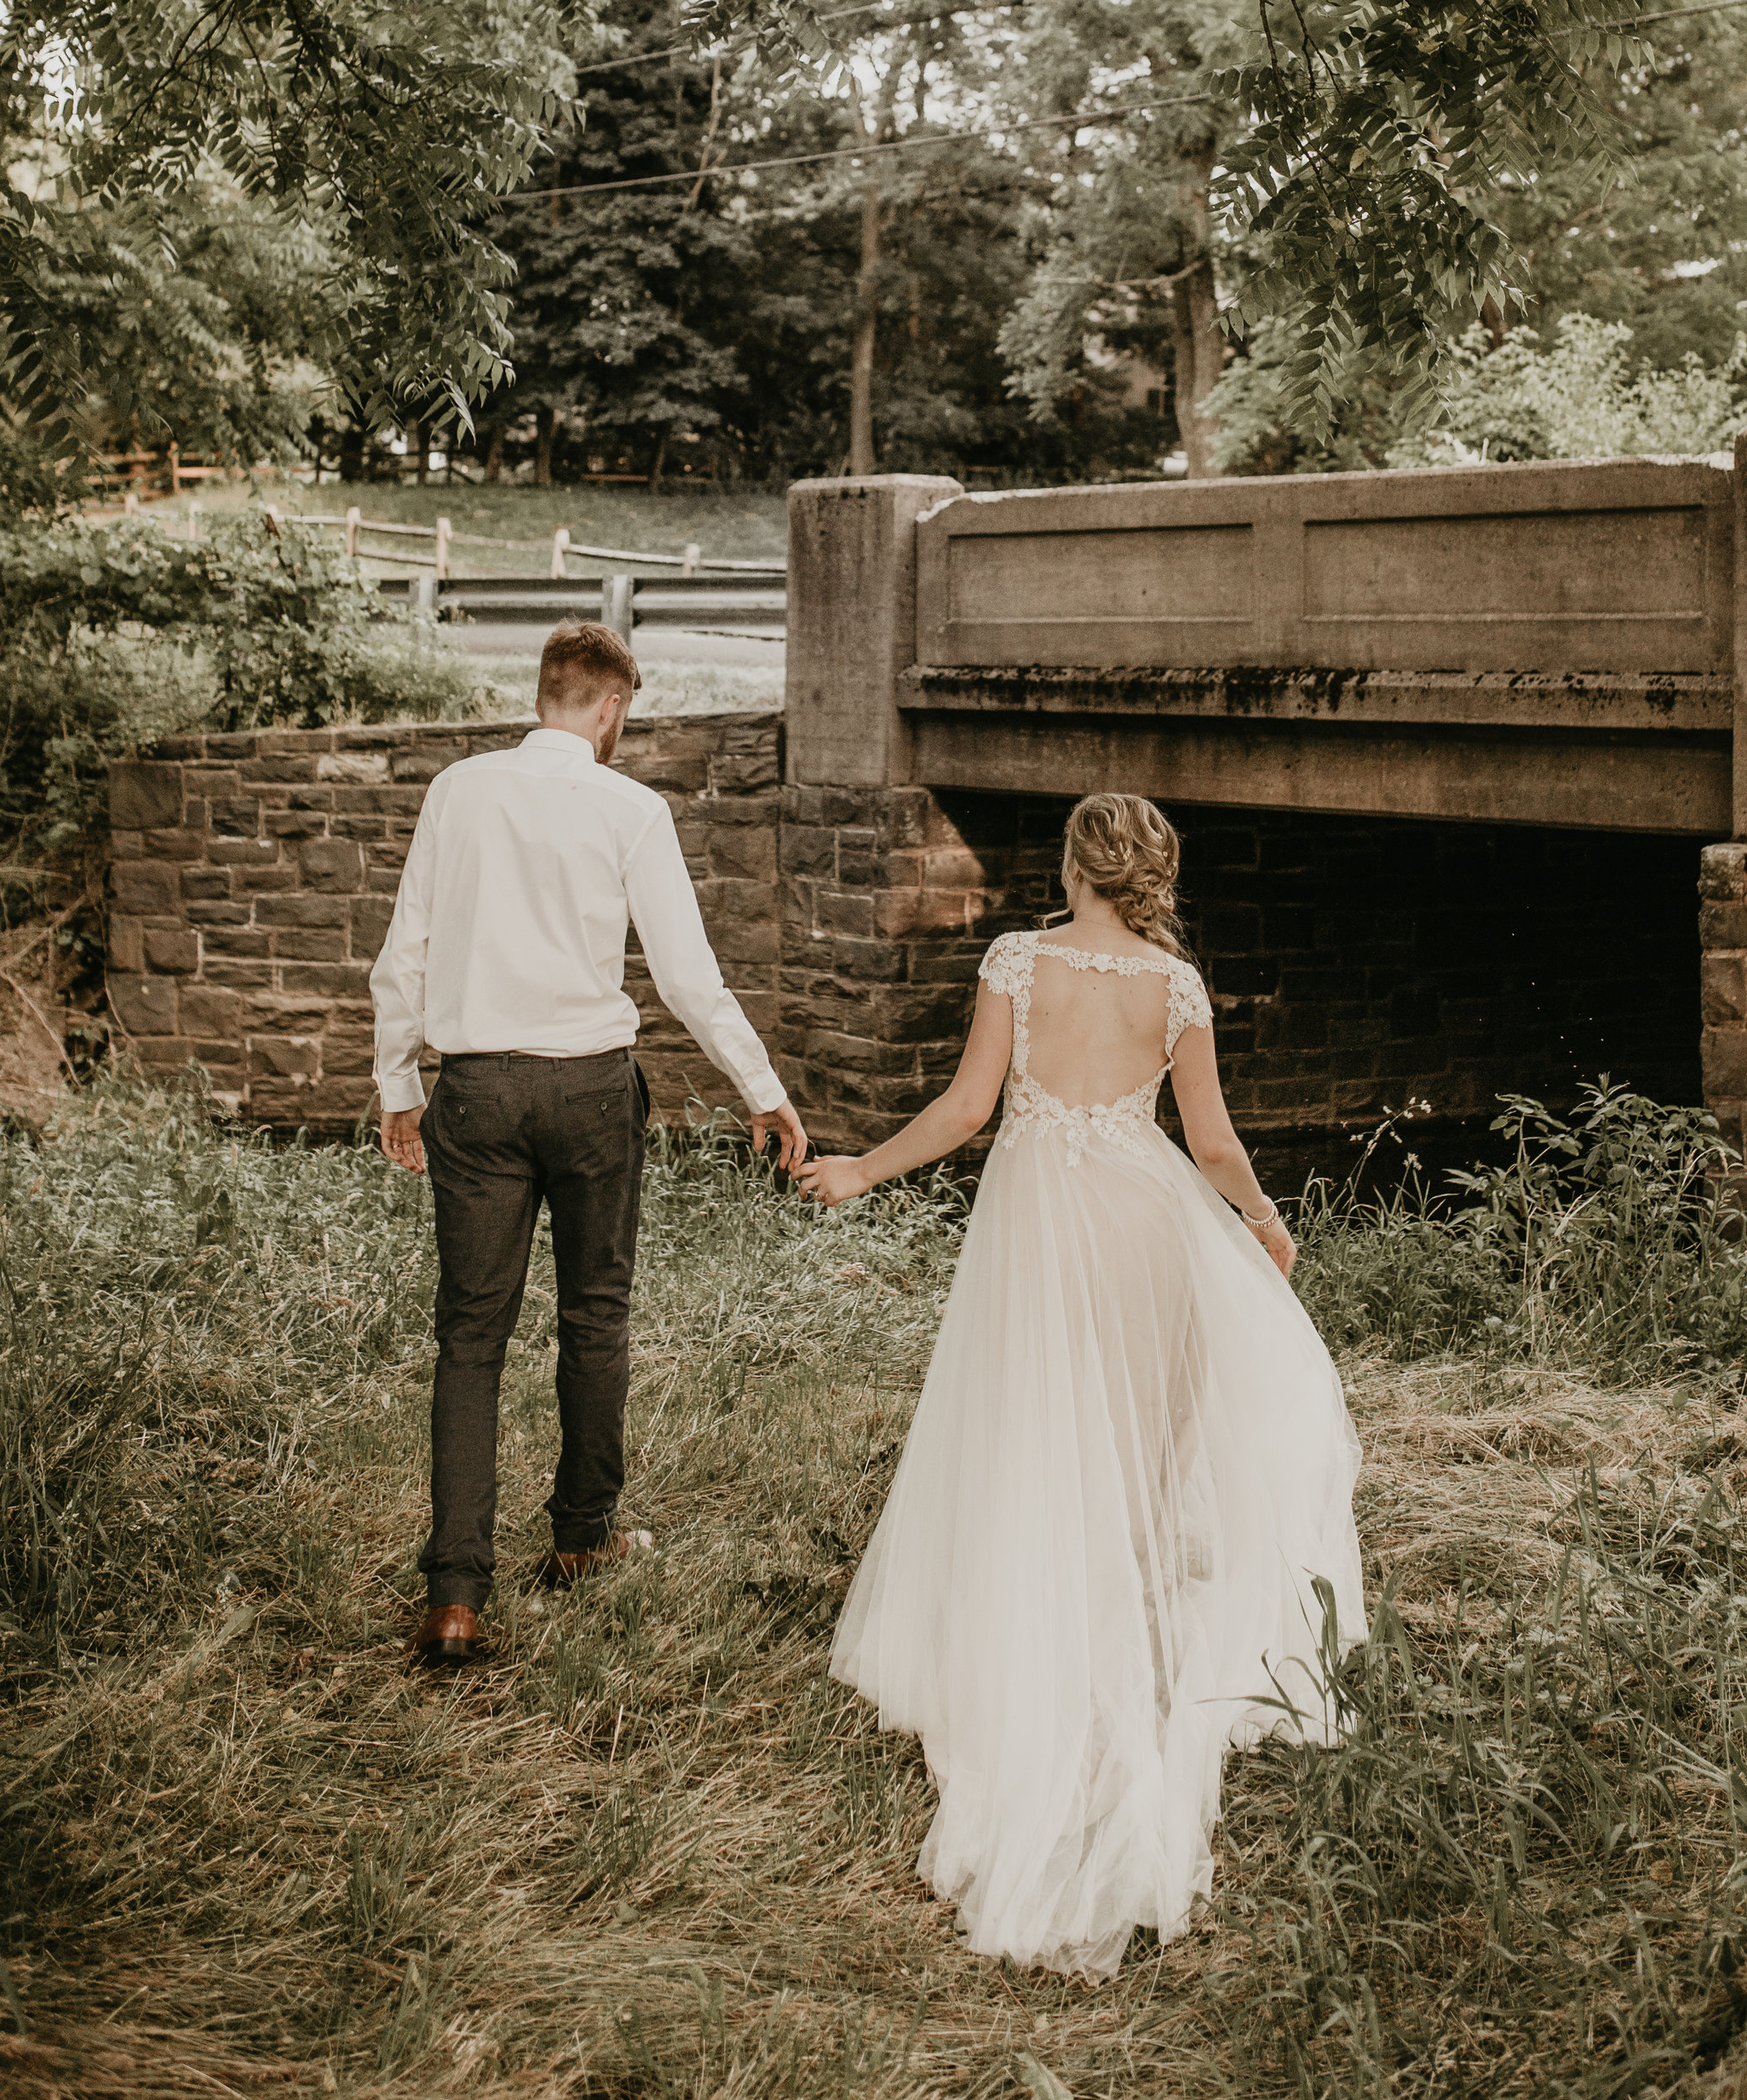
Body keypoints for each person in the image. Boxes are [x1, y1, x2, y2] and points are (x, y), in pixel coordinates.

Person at [792, 791, 1364, 1980]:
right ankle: (1128, 1650)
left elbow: (965, 1108)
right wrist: (1261, 1218)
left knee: (1033, 1436)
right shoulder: (1178, 984)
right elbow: (1210, 1141)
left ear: (1072, 865)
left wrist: (861, 1169)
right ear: (1149, 874)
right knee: (1138, 1454)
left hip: (1047, 1225)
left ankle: (1037, 1648)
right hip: (1148, 1226)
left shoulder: (1017, 957)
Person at [373, 619, 807, 1664]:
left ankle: (456, 1597)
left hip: (474, 1091)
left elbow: (407, 950)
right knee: (594, 1315)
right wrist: (763, 1089)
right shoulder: (632, 807)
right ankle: (580, 1540)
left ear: (545, 694)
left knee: (470, 1338)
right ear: (611, 707)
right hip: (591, 1095)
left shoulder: (457, 792)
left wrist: (398, 1084)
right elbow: (687, 976)